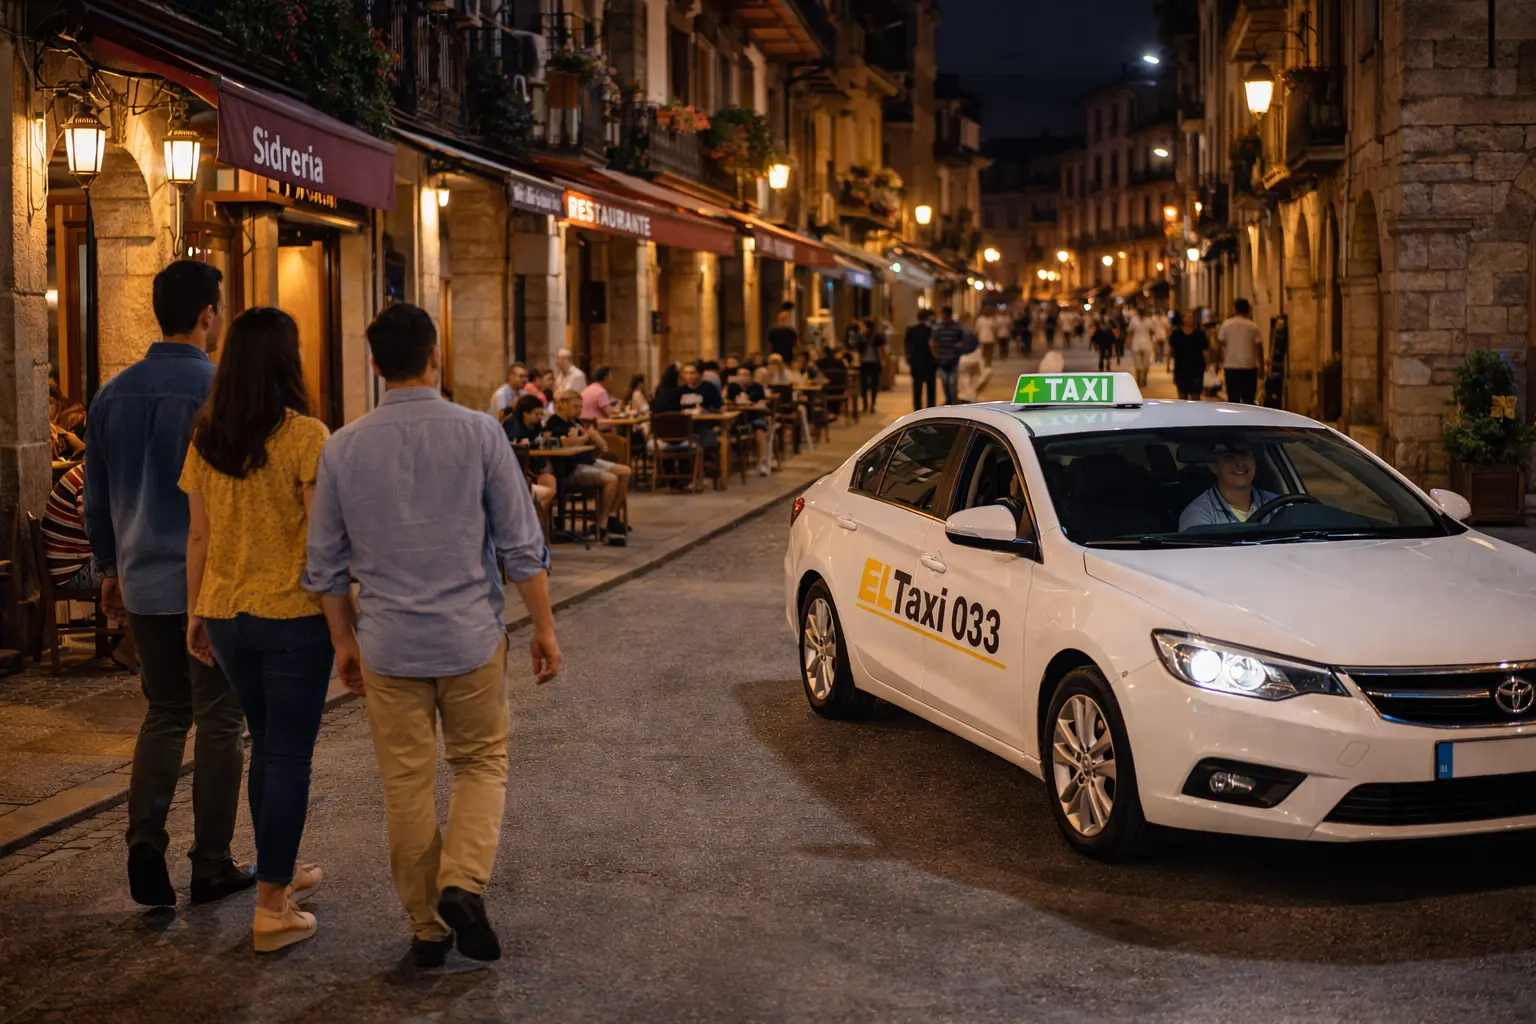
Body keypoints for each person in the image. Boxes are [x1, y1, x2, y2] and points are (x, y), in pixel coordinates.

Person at [305, 303, 560, 969]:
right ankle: (461, 881)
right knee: (479, 762)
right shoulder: (480, 434)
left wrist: (344, 641)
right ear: (434, 354)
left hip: (388, 642)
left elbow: (325, 566)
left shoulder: (342, 447)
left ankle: (427, 928)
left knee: (407, 784)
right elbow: (520, 545)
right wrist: (545, 628)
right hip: (471, 636)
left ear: (374, 365)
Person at [84, 259, 250, 909]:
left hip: (144, 582)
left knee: (164, 710)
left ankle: (143, 842)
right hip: (211, 583)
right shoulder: (220, 392)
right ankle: (210, 862)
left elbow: (95, 500)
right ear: (208, 314)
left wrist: (108, 571)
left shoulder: (112, 396)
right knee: (219, 718)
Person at [180, 308, 332, 952]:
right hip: (293, 615)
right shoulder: (305, 436)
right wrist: (344, 624)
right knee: (288, 753)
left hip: (226, 612)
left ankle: (279, 865)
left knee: (265, 742)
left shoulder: (207, 437)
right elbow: (323, 542)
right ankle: (272, 908)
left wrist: (195, 612)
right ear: (287, 361)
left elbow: (199, 534)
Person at [42, 463, 139, 672]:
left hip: (79, 561)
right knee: (143, 572)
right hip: (74, 570)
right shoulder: (86, 482)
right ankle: (128, 647)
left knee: (142, 564)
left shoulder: (91, 474)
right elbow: (97, 535)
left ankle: (134, 642)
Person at [547, 389, 631, 544]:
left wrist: (597, 440)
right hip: (571, 467)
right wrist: (585, 437)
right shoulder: (554, 423)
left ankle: (610, 516)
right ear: (564, 405)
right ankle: (602, 523)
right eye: (575, 406)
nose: (579, 410)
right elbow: (564, 443)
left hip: (587, 461)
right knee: (611, 479)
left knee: (625, 471)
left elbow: (597, 450)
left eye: (580, 407)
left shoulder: (576, 422)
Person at [1178, 441, 1280, 530]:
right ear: (1213, 466)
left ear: (1255, 462)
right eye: (1229, 457)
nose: (1240, 463)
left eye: (1245, 454)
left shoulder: (1279, 506)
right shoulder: (1199, 514)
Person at [501, 393, 559, 507]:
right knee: (544, 489)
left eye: (541, 414)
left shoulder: (536, 426)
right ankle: (532, 519)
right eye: (536, 414)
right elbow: (508, 449)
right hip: (518, 472)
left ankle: (538, 521)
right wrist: (520, 444)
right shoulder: (511, 425)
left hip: (535, 469)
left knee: (550, 482)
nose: (540, 417)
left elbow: (546, 444)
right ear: (525, 414)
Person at [726, 367, 773, 476]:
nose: (743, 377)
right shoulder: (732, 387)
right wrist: (733, 402)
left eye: (745, 375)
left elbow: (763, 404)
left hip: (754, 417)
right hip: (737, 418)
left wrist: (750, 404)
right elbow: (725, 401)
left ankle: (762, 462)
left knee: (760, 430)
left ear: (750, 377)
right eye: (740, 375)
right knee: (725, 431)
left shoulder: (757, 387)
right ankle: (729, 465)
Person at [1218, 298, 1263, 404]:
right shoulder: (1253, 326)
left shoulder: (1226, 325)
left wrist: (1218, 362)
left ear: (1235, 309)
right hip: (1249, 366)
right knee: (1248, 399)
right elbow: (1259, 347)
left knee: (1233, 398)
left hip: (1231, 366)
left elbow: (1220, 344)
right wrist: (1261, 366)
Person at [1169, 310, 1210, 401]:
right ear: (1182, 319)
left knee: (1195, 395)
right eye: (1187, 317)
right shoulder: (1176, 334)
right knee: (1182, 396)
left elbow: (1205, 350)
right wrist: (1168, 364)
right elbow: (1171, 350)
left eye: (1191, 317)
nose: (1189, 319)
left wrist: (1208, 363)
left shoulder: (1200, 334)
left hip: (1197, 369)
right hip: (1181, 368)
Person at [930, 306, 964, 405]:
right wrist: (936, 355)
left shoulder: (956, 328)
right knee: (945, 383)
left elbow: (961, 341)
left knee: (953, 384)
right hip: (942, 360)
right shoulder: (938, 328)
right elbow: (933, 342)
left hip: (953, 360)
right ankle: (948, 402)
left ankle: (953, 403)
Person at [903, 309, 936, 410]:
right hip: (930, 362)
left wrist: (908, 358)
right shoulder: (931, 330)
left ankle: (917, 410)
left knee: (917, 389)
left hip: (916, 362)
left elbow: (907, 346)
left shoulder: (911, 330)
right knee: (930, 389)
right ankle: (930, 410)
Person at [956, 314, 989, 402]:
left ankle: (965, 396)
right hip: (973, 357)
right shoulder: (970, 332)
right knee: (975, 376)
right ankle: (970, 395)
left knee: (964, 378)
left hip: (962, 358)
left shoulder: (958, 330)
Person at [855, 318, 885, 414]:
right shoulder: (875, 336)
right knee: (873, 385)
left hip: (866, 362)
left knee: (866, 384)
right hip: (873, 362)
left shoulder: (866, 337)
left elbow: (859, 350)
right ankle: (871, 405)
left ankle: (867, 405)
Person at [1126, 307, 1157, 387]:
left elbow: (1152, 332)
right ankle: (1139, 380)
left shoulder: (1149, 321)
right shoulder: (1133, 320)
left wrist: (1153, 343)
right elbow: (1130, 332)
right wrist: (1128, 342)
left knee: (1146, 364)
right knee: (1138, 365)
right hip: (1136, 343)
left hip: (1147, 343)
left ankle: (1144, 379)